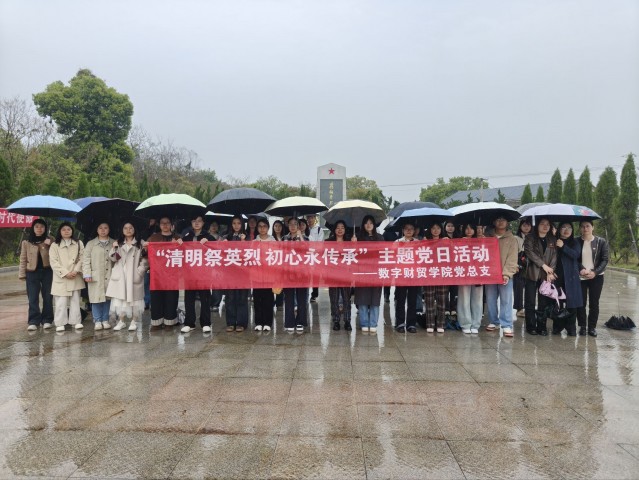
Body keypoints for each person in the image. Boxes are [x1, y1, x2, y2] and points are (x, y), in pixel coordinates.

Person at [106, 221, 148, 331]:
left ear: (134, 229)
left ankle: (134, 321)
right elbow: (114, 259)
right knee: (121, 299)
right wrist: (114, 248)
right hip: (121, 274)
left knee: (135, 299)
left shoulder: (140, 243)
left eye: (130, 228)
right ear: (122, 230)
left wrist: (140, 271)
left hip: (134, 274)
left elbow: (145, 259)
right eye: (125, 228)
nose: (128, 230)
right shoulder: (119, 243)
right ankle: (121, 321)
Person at [484, 216, 519, 337]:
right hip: (489, 273)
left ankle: (507, 324)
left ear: (507, 222)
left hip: (505, 274)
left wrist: (507, 274)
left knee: (506, 300)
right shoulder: (487, 237)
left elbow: (512, 258)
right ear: (494, 222)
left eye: (503, 220)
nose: (500, 222)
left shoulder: (512, 239)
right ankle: (494, 321)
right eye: (498, 219)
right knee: (490, 298)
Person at [179, 215, 214, 333]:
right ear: (191, 223)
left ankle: (206, 323)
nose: (197, 223)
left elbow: (216, 250)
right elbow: (180, 252)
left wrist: (209, 243)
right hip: (190, 273)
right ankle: (189, 323)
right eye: (194, 221)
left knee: (205, 298)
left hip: (204, 273)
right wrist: (179, 244)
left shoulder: (208, 237)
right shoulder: (186, 237)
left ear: (203, 223)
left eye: (199, 221)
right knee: (189, 298)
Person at [523, 217, 557, 335]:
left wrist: (550, 272)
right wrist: (543, 265)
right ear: (537, 225)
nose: (545, 226)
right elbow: (529, 252)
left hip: (546, 276)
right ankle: (531, 326)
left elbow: (554, 256)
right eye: (542, 223)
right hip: (532, 273)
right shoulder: (530, 237)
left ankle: (542, 326)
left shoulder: (552, 239)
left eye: (548, 224)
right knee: (530, 301)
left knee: (543, 302)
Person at [145, 216, 180, 329]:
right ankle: (157, 322)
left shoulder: (177, 237)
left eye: (167, 223)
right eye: (162, 223)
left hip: (172, 274)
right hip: (157, 274)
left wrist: (179, 245)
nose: (165, 225)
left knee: (171, 298)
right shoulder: (153, 238)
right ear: (159, 225)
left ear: (171, 224)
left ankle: (170, 321)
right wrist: (145, 247)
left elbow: (184, 254)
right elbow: (145, 254)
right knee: (156, 297)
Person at [49, 222, 85, 332]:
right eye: (63, 229)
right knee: (61, 301)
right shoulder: (55, 245)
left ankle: (76, 321)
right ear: (60, 231)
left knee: (75, 300)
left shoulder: (78, 243)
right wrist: (65, 273)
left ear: (72, 231)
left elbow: (82, 258)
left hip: (75, 276)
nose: (66, 231)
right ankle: (60, 323)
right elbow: (53, 261)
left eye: (68, 229)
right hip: (61, 277)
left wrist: (76, 270)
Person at [19, 219, 54, 331]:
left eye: (42, 226)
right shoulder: (26, 242)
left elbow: (55, 255)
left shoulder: (50, 240)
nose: (39, 229)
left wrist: (50, 244)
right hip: (31, 272)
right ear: (33, 228)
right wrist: (22, 273)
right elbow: (23, 258)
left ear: (45, 228)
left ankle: (47, 320)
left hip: (47, 271)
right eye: (37, 226)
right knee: (33, 297)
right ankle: (34, 321)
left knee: (48, 297)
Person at [576, 220, 609, 337]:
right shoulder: (576, 241)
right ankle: (582, 326)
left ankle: (592, 327)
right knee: (581, 302)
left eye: (588, 226)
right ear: (580, 228)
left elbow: (605, 259)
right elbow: (574, 258)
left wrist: (595, 272)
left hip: (597, 277)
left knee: (594, 303)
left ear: (593, 227)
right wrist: (581, 269)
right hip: (581, 276)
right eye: (582, 226)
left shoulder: (601, 241)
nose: (585, 228)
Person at [352, 215, 383, 333]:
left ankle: (373, 323)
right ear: (363, 225)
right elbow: (352, 255)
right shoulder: (358, 238)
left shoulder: (380, 238)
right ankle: (364, 322)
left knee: (375, 298)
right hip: (362, 272)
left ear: (374, 225)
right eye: (366, 223)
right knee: (362, 297)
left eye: (371, 222)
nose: (368, 225)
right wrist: (353, 244)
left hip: (376, 272)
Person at [82, 222, 115, 330]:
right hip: (95, 275)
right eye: (100, 228)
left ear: (109, 229)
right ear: (97, 230)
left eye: (105, 228)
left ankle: (105, 319)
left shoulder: (114, 243)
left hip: (110, 275)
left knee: (107, 298)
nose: (103, 230)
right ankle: (97, 320)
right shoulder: (91, 244)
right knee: (95, 298)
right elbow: (86, 260)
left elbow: (117, 259)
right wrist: (87, 274)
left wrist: (116, 248)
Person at [553, 222, 583, 336]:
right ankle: (558, 326)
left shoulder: (575, 242)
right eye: (564, 227)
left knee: (572, 304)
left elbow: (575, 255)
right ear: (559, 229)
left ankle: (571, 328)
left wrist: (563, 246)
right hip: (557, 277)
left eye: (569, 228)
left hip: (571, 277)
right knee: (558, 303)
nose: (566, 230)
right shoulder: (554, 241)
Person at [223, 215, 249, 332]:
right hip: (230, 272)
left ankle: (241, 323)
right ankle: (230, 322)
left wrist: (243, 242)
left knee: (242, 298)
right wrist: (223, 244)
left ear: (242, 224)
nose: (236, 225)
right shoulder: (226, 237)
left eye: (239, 223)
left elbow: (249, 253)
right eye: (234, 223)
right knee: (230, 297)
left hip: (243, 272)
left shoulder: (247, 237)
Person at [283, 217, 309, 332]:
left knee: (301, 298)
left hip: (302, 272)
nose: (293, 226)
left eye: (295, 224)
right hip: (288, 272)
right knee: (289, 298)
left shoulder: (305, 238)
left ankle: (300, 322)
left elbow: (307, 250)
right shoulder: (284, 238)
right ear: (288, 226)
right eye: (291, 224)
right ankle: (289, 322)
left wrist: (300, 237)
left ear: (299, 226)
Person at [457, 223, 483, 334]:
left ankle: (476, 324)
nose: (469, 230)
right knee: (464, 299)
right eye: (466, 228)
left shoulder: (481, 241)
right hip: (464, 273)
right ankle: (465, 323)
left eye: (471, 228)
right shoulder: (459, 241)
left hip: (478, 273)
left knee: (477, 299)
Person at [394, 221, 419, 333]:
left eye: (411, 228)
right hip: (401, 274)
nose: (409, 231)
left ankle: (411, 324)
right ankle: (400, 323)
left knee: (412, 301)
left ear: (414, 231)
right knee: (400, 300)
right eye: (406, 228)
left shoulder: (418, 243)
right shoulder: (397, 242)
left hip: (414, 274)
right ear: (403, 230)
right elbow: (392, 256)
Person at [327, 220, 352, 331]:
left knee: (346, 299)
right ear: (334, 230)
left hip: (346, 275)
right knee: (334, 298)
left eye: (342, 227)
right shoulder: (328, 242)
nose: (340, 229)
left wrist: (355, 244)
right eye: (338, 227)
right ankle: (336, 320)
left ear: (345, 229)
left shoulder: (349, 242)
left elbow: (356, 256)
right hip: (332, 275)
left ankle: (347, 320)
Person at [424, 223, 447, 333]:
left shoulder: (445, 241)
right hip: (429, 273)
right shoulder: (425, 241)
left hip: (442, 273)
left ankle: (440, 324)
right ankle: (430, 324)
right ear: (430, 230)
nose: (436, 230)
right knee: (429, 300)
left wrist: (450, 243)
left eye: (438, 228)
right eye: (433, 228)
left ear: (441, 230)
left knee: (441, 300)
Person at [253, 218, 275, 331]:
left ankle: (267, 322)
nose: (262, 228)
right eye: (260, 226)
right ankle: (258, 322)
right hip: (256, 275)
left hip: (269, 274)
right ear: (257, 228)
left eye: (264, 226)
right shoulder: (254, 242)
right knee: (257, 299)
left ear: (268, 228)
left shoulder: (273, 241)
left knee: (268, 299)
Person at [513, 220, 532, 318]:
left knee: (529, 288)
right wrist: (515, 264)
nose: (526, 227)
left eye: (528, 225)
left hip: (531, 265)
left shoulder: (533, 237)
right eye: (524, 225)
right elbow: (513, 252)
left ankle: (529, 308)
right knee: (518, 288)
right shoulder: (516, 238)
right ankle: (519, 309)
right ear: (520, 226)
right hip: (519, 265)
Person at [443, 220, 459, 316]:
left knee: (454, 289)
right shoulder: (442, 237)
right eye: (448, 226)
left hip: (456, 266)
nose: (450, 228)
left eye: (452, 226)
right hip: (445, 266)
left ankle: (453, 307)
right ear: (445, 227)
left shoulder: (459, 237)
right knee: (445, 289)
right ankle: (446, 308)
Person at [306, 214, 323, 302]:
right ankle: (305, 293)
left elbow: (320, 243)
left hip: (316, 255)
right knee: (306, 275)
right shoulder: (303, 228)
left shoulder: (319, 229)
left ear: (315, 218)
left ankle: (314, 294)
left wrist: (309, 238)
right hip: (305, 256)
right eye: (308, 217)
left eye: (312, 217)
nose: (310, 219)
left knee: (315, 276)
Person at [207, 220, 223, 312]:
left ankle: (215, 304)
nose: (213, 227)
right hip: (206, 263)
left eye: (215, 225)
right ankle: (208, 302)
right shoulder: (204, 237)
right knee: (206, 285)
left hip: (217, 264)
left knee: (217, 285)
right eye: (212, 225)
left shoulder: (221, 238)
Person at [272, 220, 285, 309]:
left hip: (282, 264)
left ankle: (279, 303)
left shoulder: (285, 238)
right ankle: (271, 302)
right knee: (272, 283)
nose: (277, 228)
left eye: (279, 226)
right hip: (272, 264)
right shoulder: (270, 238)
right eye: (276, 226)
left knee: (280, 283)